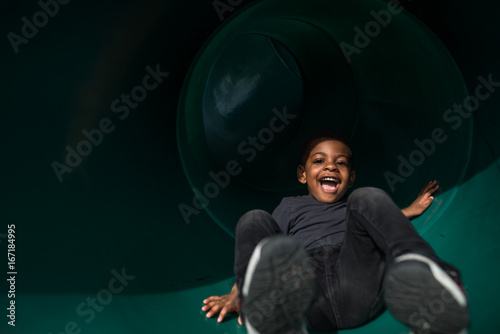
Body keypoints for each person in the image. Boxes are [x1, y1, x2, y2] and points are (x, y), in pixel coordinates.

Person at [202, 129, 469, 334]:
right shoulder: (290, 206)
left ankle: (426, 276)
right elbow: (263, 246)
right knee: (254, 219)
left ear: (350, 178)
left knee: (368, 198)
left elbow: (381, 220)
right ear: (302, 174)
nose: (331, 166)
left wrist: (410, 210)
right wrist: (236, 293)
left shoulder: (355, 206)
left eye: (340, 163)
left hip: (358, 282)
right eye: (319, 160)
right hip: (307, 293)